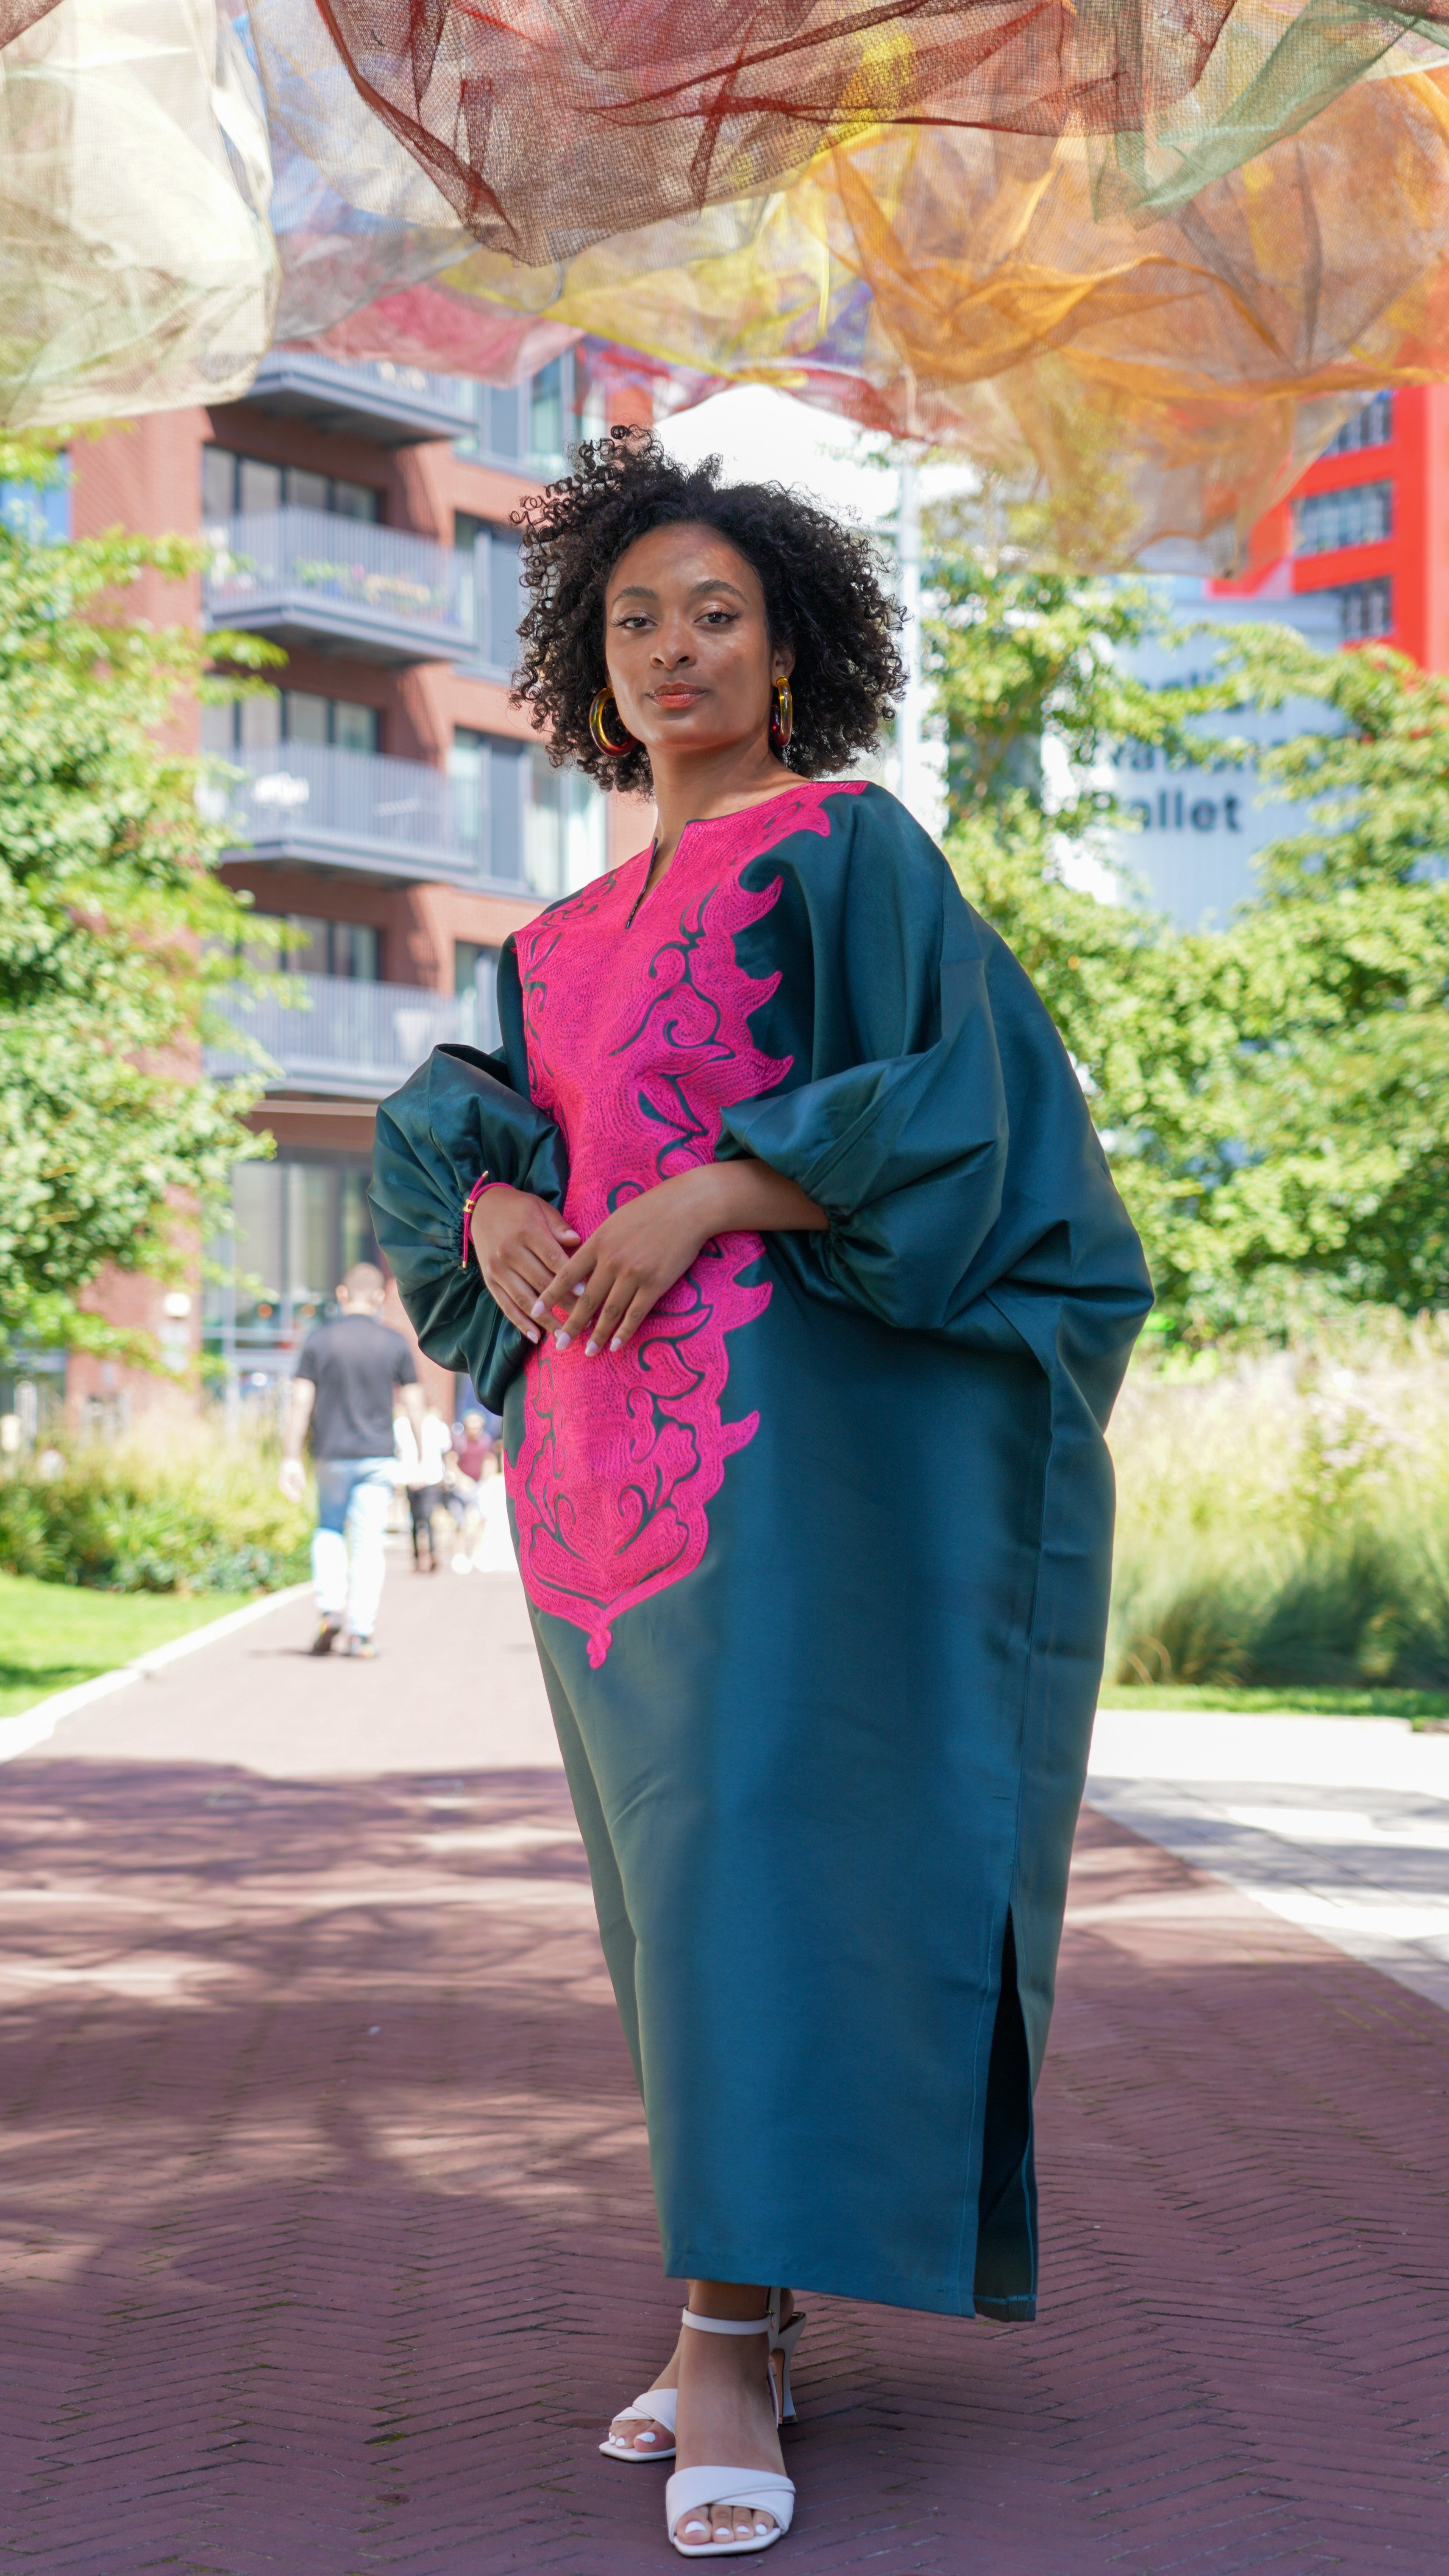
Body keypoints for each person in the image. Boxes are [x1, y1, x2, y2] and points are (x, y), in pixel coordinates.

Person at [370, 430, 1152, 2557]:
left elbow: (961, 1104)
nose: (670, 646)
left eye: (715, 610)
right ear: (583, 659)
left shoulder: (845, 853)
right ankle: (756, 2290)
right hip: (591, 1499)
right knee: (671, 1898)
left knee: (746, 1866)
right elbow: (451, 1146)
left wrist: (714, 1179)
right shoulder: (542, 944)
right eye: (633, 617)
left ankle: (721, 2331)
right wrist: (510, 1209)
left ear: (792, 647)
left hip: (789, 1464)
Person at [280, 1260, 424, 1658]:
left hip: (332, 1455)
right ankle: (361, 1633)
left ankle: (330, 1608)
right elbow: (413, 1403)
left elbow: (300, 1401)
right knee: (368, 1543)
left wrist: (290, 1457)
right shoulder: (395, 1343)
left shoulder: (318, 1341)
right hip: (377, 1456)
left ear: (342, 1295)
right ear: (380, 1298)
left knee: (329, 1529)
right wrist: (423, 1454)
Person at [394, 1394, 453, 1572]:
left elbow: (446, 1451)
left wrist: (445, 1475)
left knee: (428, 1519)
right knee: (415, 1521)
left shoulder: (435, 1425)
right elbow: (399, 1453)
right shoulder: (401, 1426)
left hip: (431, 1479)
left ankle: (432, 1554)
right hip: (411, 1479)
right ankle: (417, 1557)